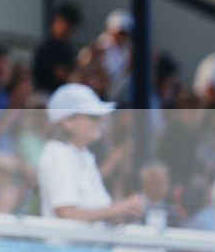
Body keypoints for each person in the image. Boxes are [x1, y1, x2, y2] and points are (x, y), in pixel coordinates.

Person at [38, 83, 146, 223]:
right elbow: (66, 213)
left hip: (92, 245)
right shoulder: (57, 153)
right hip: (69, 245)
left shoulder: (83, 155)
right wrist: (119, 208)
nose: (101, 121)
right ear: (67, 121)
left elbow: (101, 211)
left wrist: (127, 209)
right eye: (92, 116)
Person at [31, 2, 83, 93]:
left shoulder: (68, 47)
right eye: (67, 27)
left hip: (64, 94)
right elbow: (62, 75)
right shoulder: (46, 46)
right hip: (44, 95)